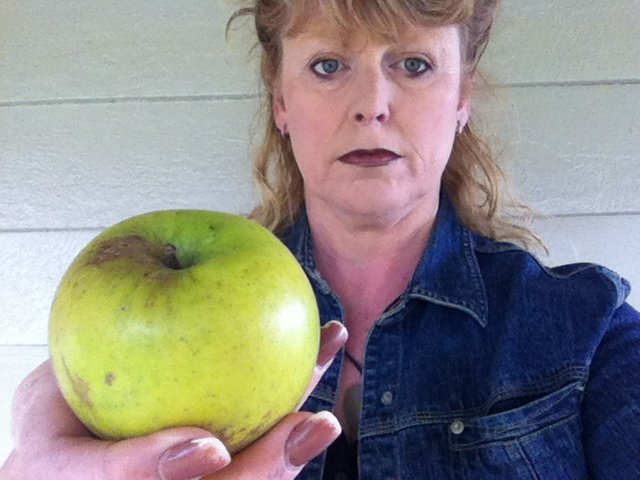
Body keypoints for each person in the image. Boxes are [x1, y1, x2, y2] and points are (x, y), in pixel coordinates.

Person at [2, 0, 639, 478]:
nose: (372, 104)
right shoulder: (145, 324)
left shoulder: (590, 329)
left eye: (413, 64)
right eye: (328, 65)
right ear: (281, 99)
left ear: (462, 97)